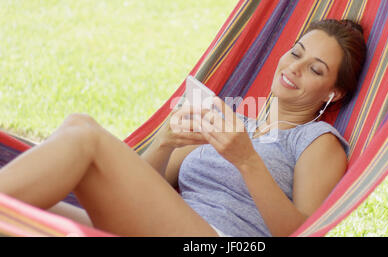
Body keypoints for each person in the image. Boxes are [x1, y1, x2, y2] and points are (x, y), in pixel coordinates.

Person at [0, 19, 366, 237]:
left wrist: (248, 161)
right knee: (45, 191)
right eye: (296, 52)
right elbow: (139, 192)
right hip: (164, 225)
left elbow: (300, 232)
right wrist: (163, 143)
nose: (295, 67)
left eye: (316, 69)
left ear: (333, 93)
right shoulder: (234, 123)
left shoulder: (318, 142)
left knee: (85, 138)